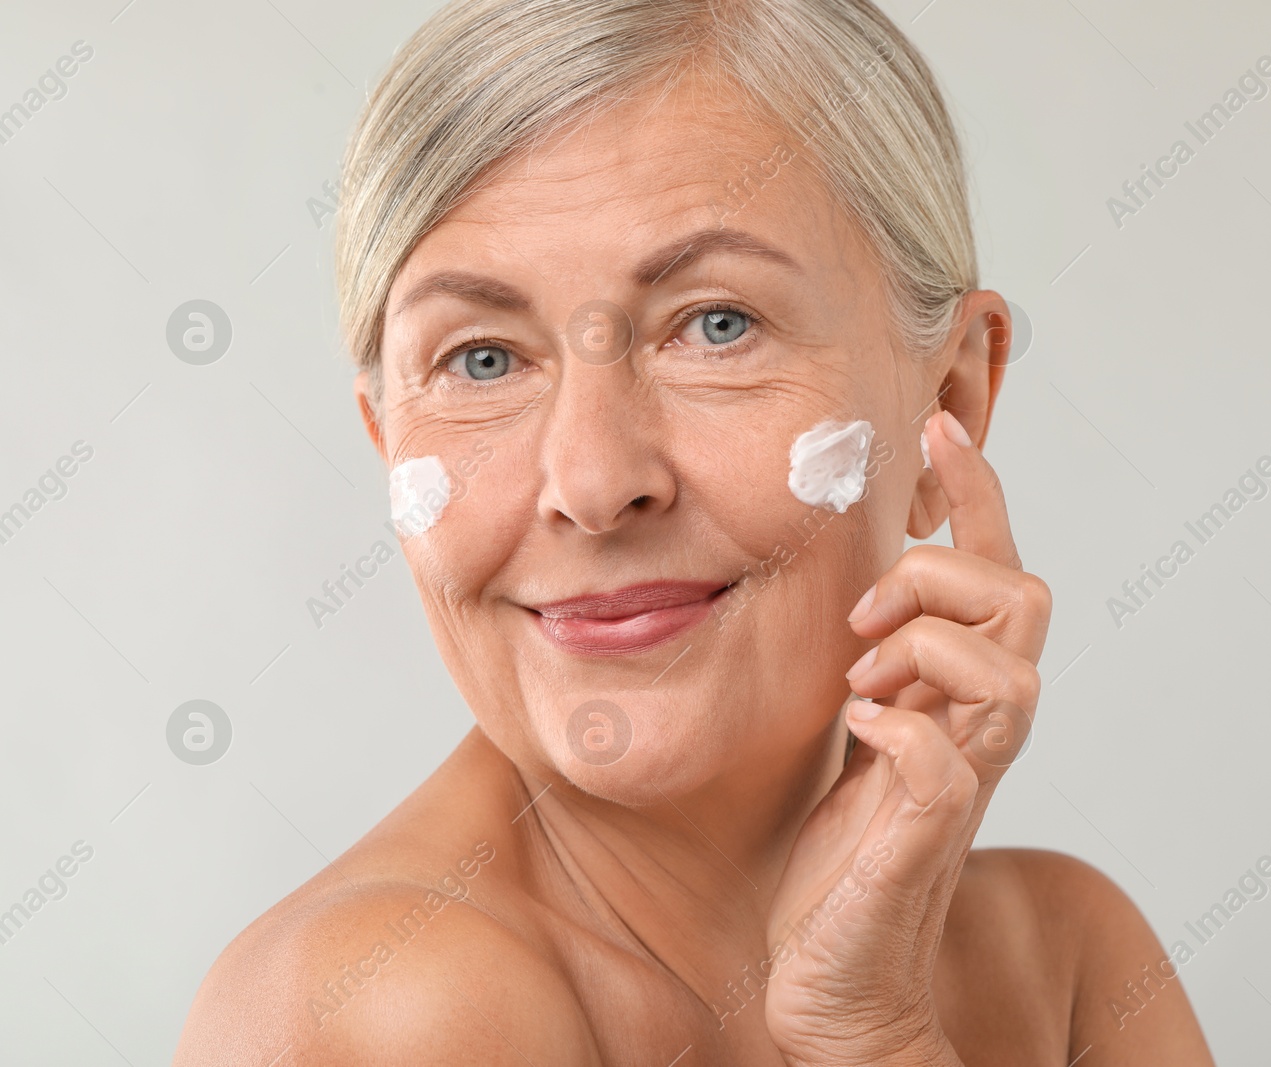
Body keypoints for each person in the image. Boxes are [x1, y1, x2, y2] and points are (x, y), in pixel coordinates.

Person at [176, 1, 1213, 1062]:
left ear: (948, 395)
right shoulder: (385, 1003)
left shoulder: (1071, 958)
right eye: (482, 358)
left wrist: (873, 1028)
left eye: (716, 326)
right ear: (385, 435)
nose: (592, 481)